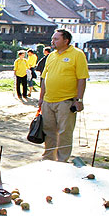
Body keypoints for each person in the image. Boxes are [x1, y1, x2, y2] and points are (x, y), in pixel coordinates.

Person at [38, 29, 88, 162]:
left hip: (66, 101)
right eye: (52, 39)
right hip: (48, 101)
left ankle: (62, 160)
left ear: (66, 41)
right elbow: (44, 78)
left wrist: (79, 100)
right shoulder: (51, 56)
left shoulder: (77, 54)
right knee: (49, 131)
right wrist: (41, 98)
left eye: (56, 39)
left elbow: (81, 79)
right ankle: (48, 158)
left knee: (64, 132)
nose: (52, 41)